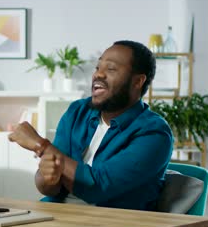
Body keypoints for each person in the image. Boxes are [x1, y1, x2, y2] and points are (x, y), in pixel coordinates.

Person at [9, 40, 173, 211]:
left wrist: (40, 145)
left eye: (110, 69)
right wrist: (48, 177)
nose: (98, 75)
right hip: (57, 214)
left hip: (112, 226)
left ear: (138, 81)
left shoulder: (154, 133)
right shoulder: (78, 111)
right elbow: (49, 185)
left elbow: (97, 187)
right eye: (97, 68)